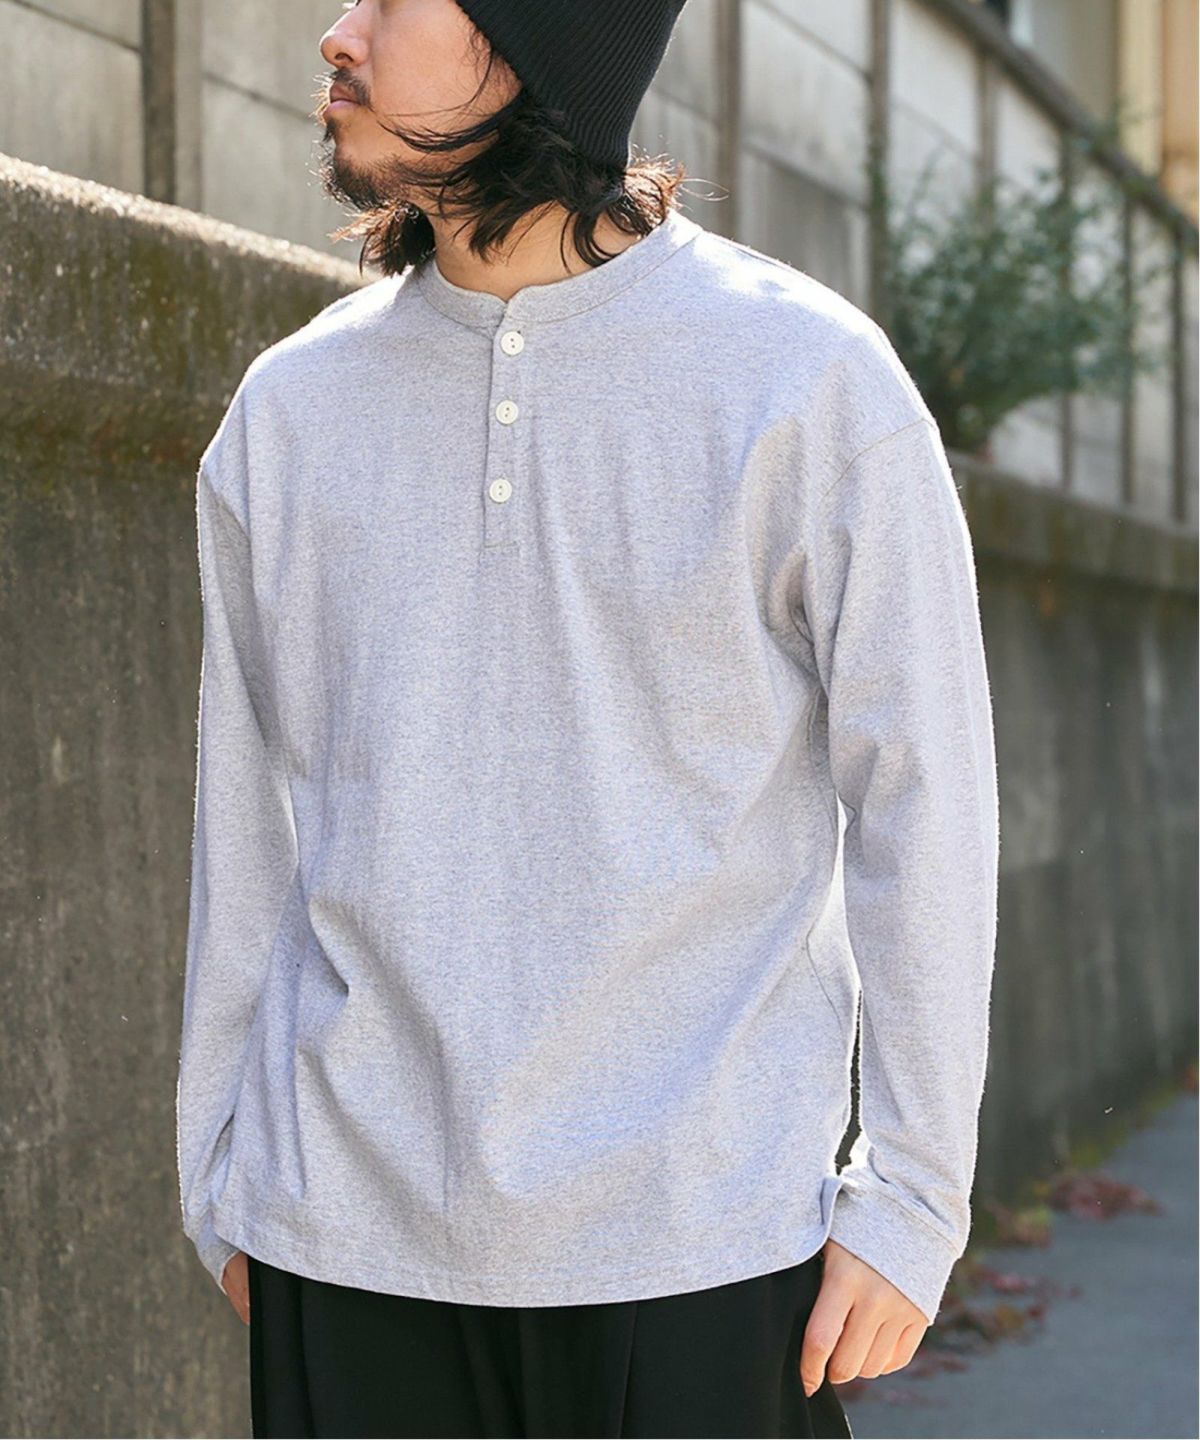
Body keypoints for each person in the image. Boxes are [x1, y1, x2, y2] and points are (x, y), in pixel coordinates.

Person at [174, 1, 1000, 1435]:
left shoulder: (805, 382)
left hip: (708, 1242)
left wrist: (914, 1195)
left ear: (541, 38)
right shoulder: (293, 409)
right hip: (346, 1238)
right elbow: (247, 818)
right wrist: (222, 1172)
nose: (337, 34)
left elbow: (926, 796)